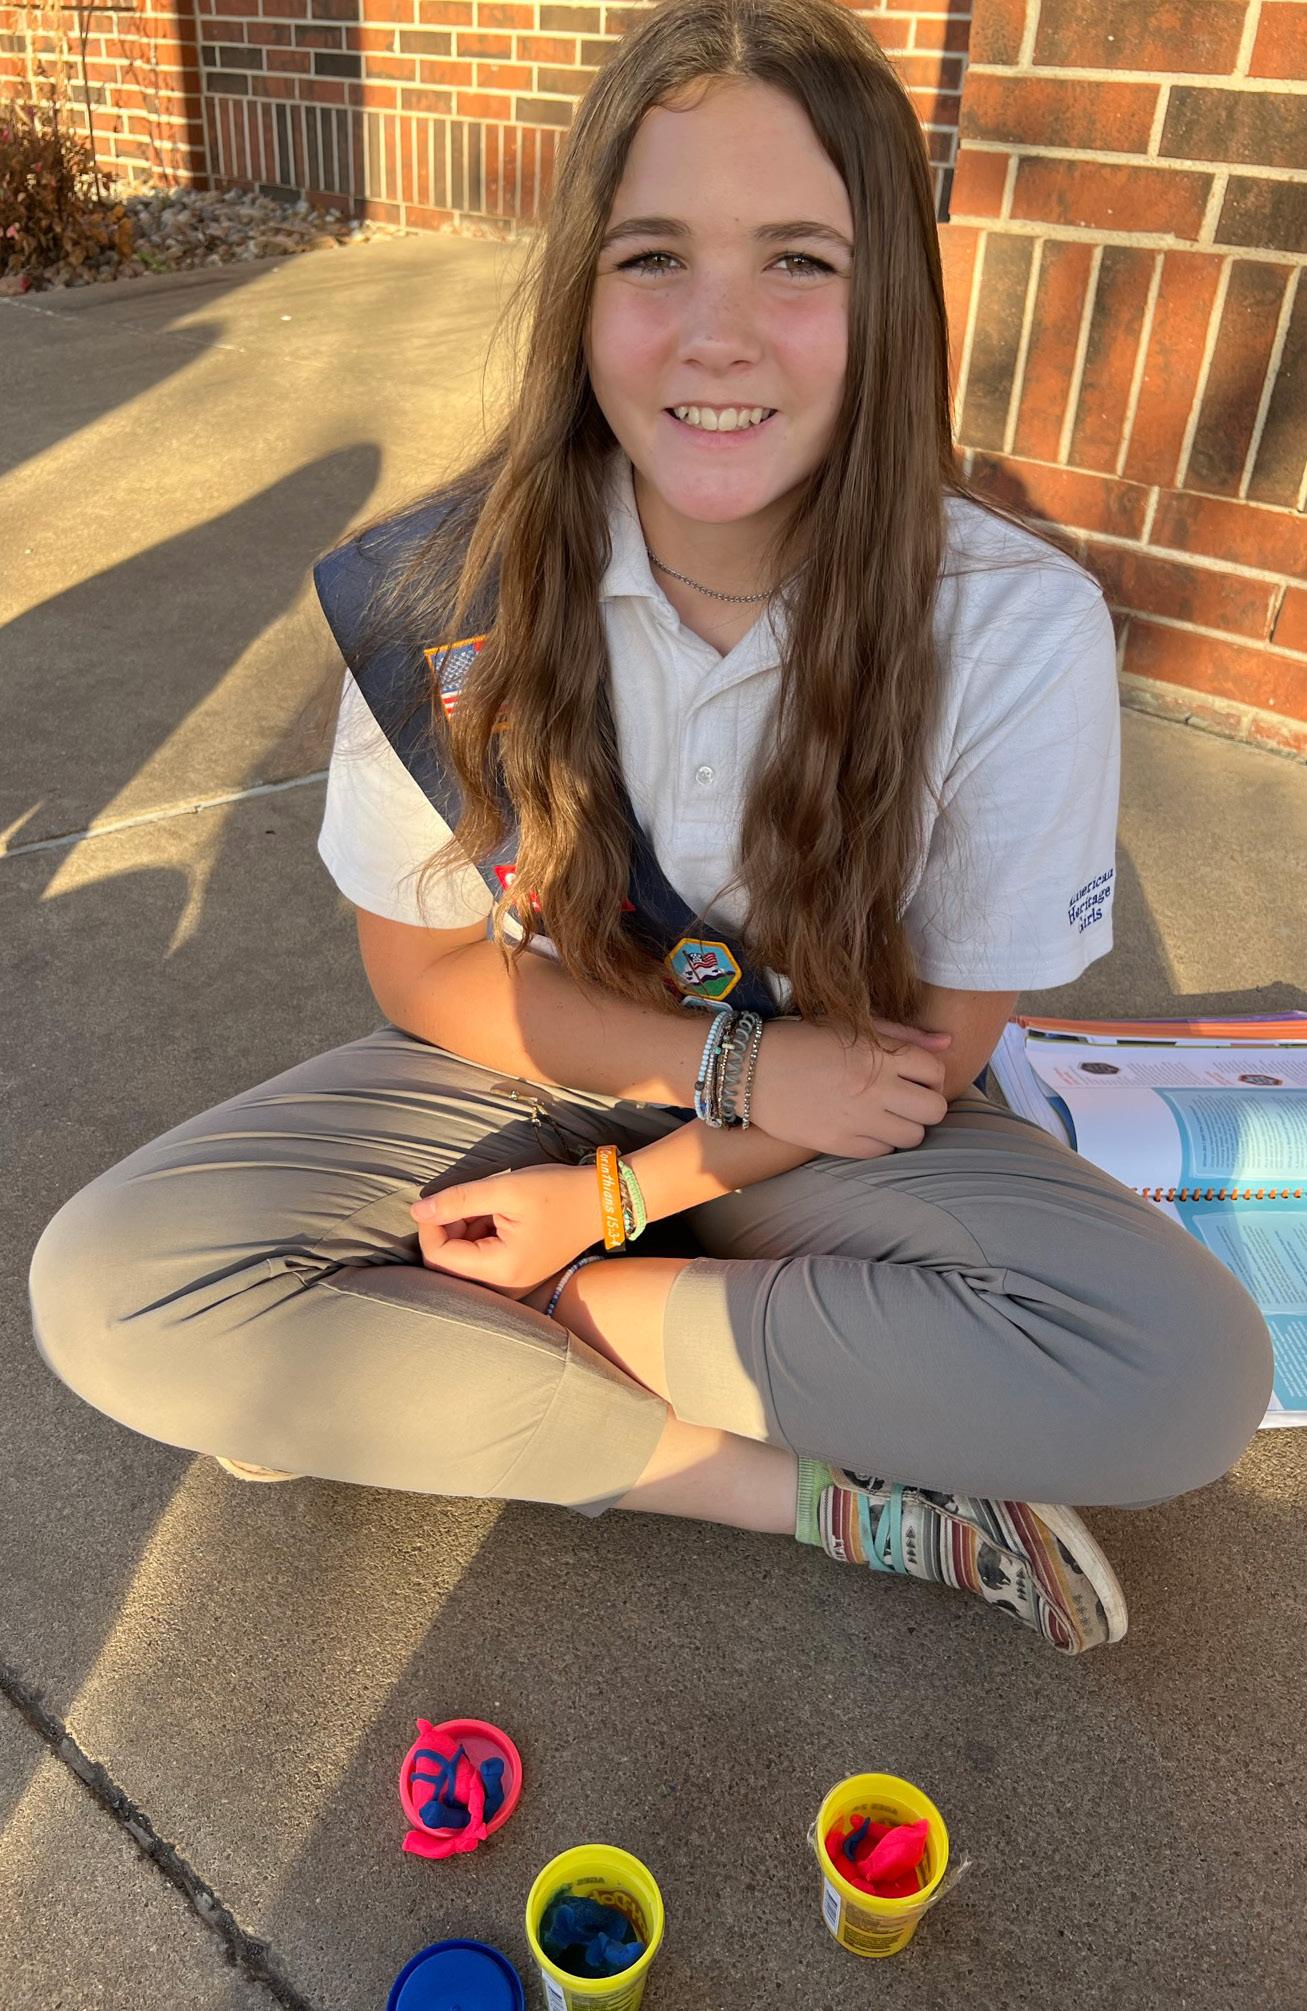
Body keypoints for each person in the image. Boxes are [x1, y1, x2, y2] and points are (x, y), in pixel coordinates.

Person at [28, 0, 1272, 1657]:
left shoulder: (1009, 622)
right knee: (109, 1285)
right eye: (654, 258)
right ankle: (812, 1493)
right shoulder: (444, 588)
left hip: (837, 1127)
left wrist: (618, 1210)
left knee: (1185, 1376)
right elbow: (425, 972)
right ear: (581, 293)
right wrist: (713, 1078)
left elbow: (924, 1053)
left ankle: (451, 1351)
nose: (717, 336)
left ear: (890, 304)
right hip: (540, 1071)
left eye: (799, 262)